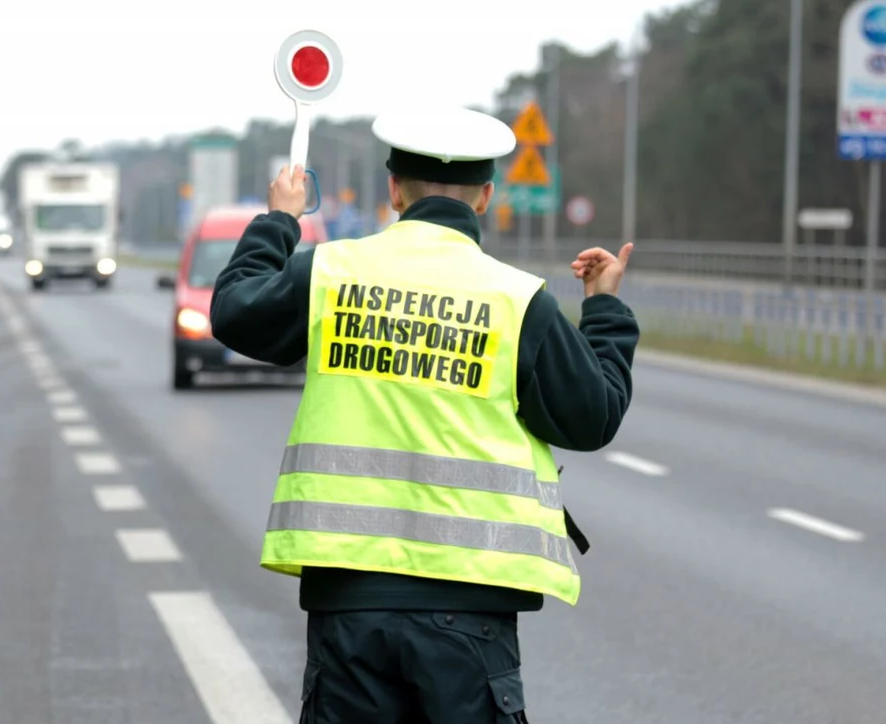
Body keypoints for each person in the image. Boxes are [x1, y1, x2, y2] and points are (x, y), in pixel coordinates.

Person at [210, 107, 640, 724]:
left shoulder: (333, 272)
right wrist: (603, 311)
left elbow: (234, 311)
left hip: (350, 600)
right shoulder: (517, 302)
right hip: (470, 611)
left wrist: (281, 218)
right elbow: (592, 417)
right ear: (486, 196)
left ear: (392, 190)